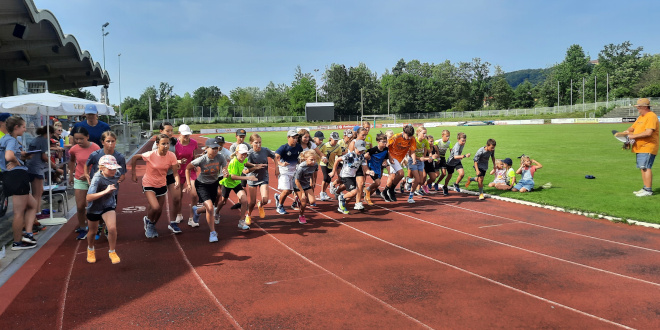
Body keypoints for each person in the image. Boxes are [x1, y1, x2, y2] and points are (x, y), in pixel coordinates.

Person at [0, 116, 39, 250]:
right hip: (17, 175)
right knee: (18, 212)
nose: (25, 128)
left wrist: (21, 157)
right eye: (23, 126)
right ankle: (17, 242)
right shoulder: (11, 140)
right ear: (16, 127)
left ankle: (28, 234)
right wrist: (17, 162)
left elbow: (9, 155)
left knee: (33, 204)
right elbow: (9, 156)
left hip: (9, 176)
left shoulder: (4, 139)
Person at [131, 134, 180, 238]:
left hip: (162, 183)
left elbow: (175, 172)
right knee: (156, 207)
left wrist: (177, 181)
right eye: (163, 144)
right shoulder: (151, 154)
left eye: (167, 143)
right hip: (149, 183)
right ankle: (149, 222)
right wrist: (133, 174)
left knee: (159, 210)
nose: (166, 146)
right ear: (157, 144)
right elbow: (135, 158)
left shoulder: (171, 156)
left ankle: (151, 224)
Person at [85, 131, 127, 239]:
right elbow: (87, 164)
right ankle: (99, 225)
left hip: (112, 188)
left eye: (113, 141)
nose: (111, 143)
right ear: (103, 142)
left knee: (110, 206)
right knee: (97, 206)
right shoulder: (95, 154)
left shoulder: (120, 157)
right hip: (98, 187)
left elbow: (123, 173)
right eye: (108, 141)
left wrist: (120, 178)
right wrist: (86, 174)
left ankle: (108, 228)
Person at [186, 138, 227, 242]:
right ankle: (213, 233)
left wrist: (225, 172)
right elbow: (188, 167)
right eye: (213, 148)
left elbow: (224, 168)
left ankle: (197, 210)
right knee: (210, 207)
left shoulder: (220, 157)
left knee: (210, 208)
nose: (215, 150)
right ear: (207, 148)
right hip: (202, 185)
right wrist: (188, 183)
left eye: (216, 148)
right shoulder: (202, 159)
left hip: (213, 184)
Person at [616, 98, 659, 197]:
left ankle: (648, 190)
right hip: (640, 146)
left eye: (639, 107)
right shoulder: (641, 117)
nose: (637, 108)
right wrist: (627, 131)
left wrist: (632, 136)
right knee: (642, 167)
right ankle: (645, 188)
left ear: (644, 107)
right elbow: (633, 127)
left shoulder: (651, 116)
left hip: (648, 146)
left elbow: (649, 132)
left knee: (646, 167)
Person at [85, 155, 122, 264]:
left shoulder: (117, 174)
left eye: (115, 168)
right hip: (94, 207)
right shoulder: (97, 179)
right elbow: (88, 197)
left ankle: (112, 251)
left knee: (112, 228)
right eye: (110, 168)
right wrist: (105, 191)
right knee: (92, 232)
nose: (113, 170)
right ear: (101, 168)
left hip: (108, 205)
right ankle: (90, 249)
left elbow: (119, 178)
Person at [218, 144, 263, 230]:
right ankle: (216, 213)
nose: (244, 155)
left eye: (245, 153)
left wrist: (255, 166)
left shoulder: (244, 159)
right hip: (228, 183)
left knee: (244, 200)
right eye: (242, 153)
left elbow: (246, 163)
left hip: (236, 184)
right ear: (237, 153)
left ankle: (241, 221)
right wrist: (248, 177)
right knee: (223, 202)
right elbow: (233, 176)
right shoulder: (234, 162)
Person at [68, 126, 101, 240]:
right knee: (81, 206)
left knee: (96, 205)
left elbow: (99, 163)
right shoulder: (74, 149)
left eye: (81, 139)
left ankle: (99, 226)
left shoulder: (95, 148)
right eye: (76, 139)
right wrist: (70, 175)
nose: (79, 142)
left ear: (87, 137)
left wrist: (94, 176)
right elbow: (72, 161)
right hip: (80, 179)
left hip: (93, 179)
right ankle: (82, 227)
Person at [27, 126, 62, 220]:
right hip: (36, 168)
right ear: (50, 133)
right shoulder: (43, 140)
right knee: (37, 193)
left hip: (32, 167)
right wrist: (54, 166)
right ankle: (37, 213)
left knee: (39, 191)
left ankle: (37, 212)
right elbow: (44, 157)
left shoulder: (37, 139)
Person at [331, 140, 374, 213]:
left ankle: (341, 206)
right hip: (345, 175)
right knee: (354, 191)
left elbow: (365, 169)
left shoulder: (362, 157)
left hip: (352, 176)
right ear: (355, 147)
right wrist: (333, 171)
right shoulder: (350, 155)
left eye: (362, 150)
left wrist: (369, 172)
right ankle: (342, 197)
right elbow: (338, 159)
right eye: (359, 150)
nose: (360, 152)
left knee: (353, 193)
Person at [171, 124, 199, 231]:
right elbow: (172, 159)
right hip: (178, 172)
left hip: (190, 171)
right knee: (178, 197)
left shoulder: (194, 143)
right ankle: (179, 214)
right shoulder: (175, 145)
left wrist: (195, 164)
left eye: (188, 135)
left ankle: (192, 218)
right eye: (184, 135)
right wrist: (178, 161)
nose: (187, 137)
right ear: (179, 134)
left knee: (194, 194)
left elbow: (194, 155)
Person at [381, 125, 417, 202]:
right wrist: (386, 158)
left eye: (411, 136)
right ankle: (391, 190)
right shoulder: (396, 137)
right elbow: (386, 147)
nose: (409, 138)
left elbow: (412, 151)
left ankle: (385, 191)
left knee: (394, 177)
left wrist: (414, 159)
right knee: (400, 174)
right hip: (391, 157)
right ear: (404, 132)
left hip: (399, 159)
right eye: (408, 136)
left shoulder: (412, 139)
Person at [246, 133, 276, 222]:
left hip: (263, 177)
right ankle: (248, 214)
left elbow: (274, 156)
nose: (258, 145)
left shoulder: (265, 150)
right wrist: (256, 167)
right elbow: (246, 171)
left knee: (265, 200)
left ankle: (261, 205)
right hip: (252, 178)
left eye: (260, 142)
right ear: (251, 143)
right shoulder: (249, 154)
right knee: (252, 202)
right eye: (256, 143)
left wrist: (277, 167)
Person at [274, 130, 303, 215]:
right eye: (293, 137)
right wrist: (281, 163)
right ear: (288, 137)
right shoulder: (283, 148)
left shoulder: (299, 147)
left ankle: (278, 197)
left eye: (296, 138)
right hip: (284, 171)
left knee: (290, 191)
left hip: (294, 171)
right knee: (286, 190)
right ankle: (280, 206)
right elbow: (275, 158)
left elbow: (300, 156)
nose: (295, 140)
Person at [364, 133, 390, 206]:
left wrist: (385, 161)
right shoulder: (372, 150)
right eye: (383, 142)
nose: (385, 143)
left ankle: (367, 196)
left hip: (379, 168)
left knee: (376, 186)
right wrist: (367, 159)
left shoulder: (386, 149)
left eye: (386, 141)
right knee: (378, 183)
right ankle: (367, 190)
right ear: (378, 141)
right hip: (372, 168)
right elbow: (365, 157)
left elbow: (385, 158)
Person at [294, 150, 319, 224]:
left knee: (312, 201)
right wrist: (302, 193)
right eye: (311, 159)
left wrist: (313, 181)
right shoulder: (301, 167)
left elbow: (314, 172)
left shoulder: (315, 165)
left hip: (306, 184)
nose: (313, 161)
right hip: (298, 185)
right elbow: (296, 181)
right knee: (304, 203)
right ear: (306, 159)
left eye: (315, 159)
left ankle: (299, 200)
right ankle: (301, 216)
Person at [318, 132, 343, 201]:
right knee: (325, 177)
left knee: (329, 179)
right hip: (324, 164)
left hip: (331, 164)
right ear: (330, 139)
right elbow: (320, 153)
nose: (336, 141)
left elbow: (339, 156)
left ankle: (324, 192)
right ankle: (322, 193)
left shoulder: (338, 147)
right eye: (335, 140)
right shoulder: (325, 145)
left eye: (337, 140)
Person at [407, 127, 429, 203]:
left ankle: (409, 180)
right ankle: (410, 197)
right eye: (423, 133)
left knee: (420, 181)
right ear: (418, 133)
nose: (425, 135)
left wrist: (431, 157)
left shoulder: (425, 141)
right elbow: (410, 154)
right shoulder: (414, 141)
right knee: (417, 179)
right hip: (413, 161)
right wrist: (420, 158)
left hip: (420, 162)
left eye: (425, 133)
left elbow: (427, 151)